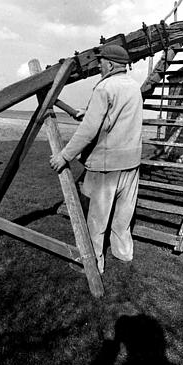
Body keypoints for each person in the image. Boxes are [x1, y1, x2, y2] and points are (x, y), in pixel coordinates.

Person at [49, 44, 142, 274]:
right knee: (122, 217)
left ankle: (92, 263)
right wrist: (88, 111)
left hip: (107, 165)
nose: (99, 65)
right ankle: (123, 253)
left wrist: (64, 156)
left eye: (101, 62)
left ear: (109, 64)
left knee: (97, 221)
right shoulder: (133, 87)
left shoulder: (104, 88)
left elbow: (88, 131)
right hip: (131, 162)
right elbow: (115, 117)